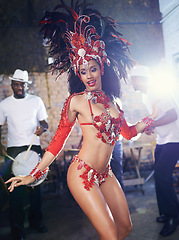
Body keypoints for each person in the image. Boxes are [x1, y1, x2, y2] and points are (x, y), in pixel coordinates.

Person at [5, 2, 156, 240]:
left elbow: (126, 133)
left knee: (125, 228)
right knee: (110, 235)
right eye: (83, 71)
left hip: (105, 173)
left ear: (101, 69)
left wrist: (147, 122)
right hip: (82, 173)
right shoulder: (76, 101)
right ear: (78, 73)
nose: (88, 76)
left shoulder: (113, 102)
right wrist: (33, 174)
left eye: (92, 69)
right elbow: (57, 143)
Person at [131, 65, 179, 237]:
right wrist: (152, 127)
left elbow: (173, 115)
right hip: (163, 139)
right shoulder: (146, 95)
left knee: (163, 176)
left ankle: (174, 216)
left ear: (141, 79)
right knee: (159, 176)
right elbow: (159, 117)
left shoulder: (157, 92)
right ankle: (166, 212)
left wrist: (153, 125)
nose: (131, 81)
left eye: (133, 78)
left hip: (175, 139)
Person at [0, 69, 48, 240]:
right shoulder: (4, 104)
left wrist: (42, 129)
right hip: (14, 150)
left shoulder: (36, 101)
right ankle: (17, 230)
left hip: (33, 147)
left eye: (22, 84)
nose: (19, 87)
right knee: (16, 192)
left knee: (35, 189)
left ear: (27, 85)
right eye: (16, 84)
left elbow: (45, 123)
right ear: (12, 84)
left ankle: (36, 222)